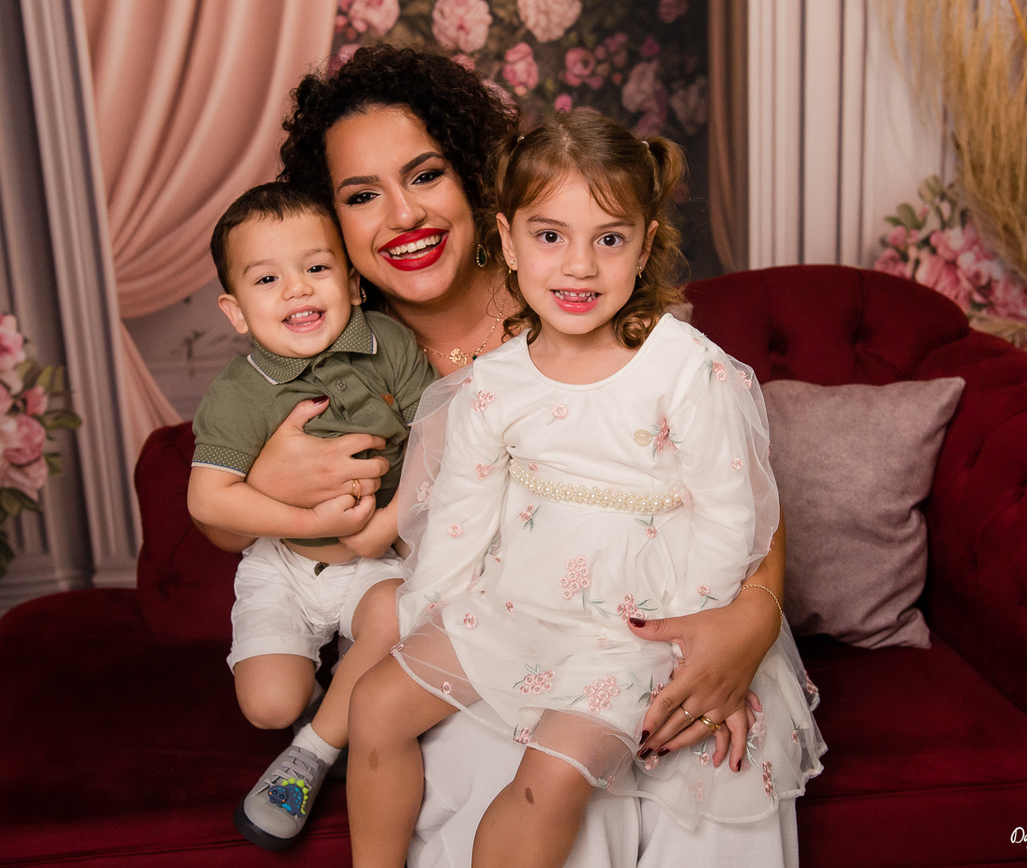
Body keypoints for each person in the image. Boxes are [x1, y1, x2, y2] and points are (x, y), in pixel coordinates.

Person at [199, 45, 801, 866]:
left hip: (650, 608)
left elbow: (734, 491)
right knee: (476, 760)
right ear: (329, 224)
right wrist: (267, 485)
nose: (403, 214)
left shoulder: (587, 302)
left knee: (649, 772)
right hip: (478, 623)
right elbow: (228, 518)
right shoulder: (330, 350)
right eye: (362, 195)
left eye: (426, 174)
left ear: (480, 185)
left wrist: (747, 624)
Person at [342, 112, 824, 868]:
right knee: (374, 705)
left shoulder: (685, 370)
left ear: (645, 244)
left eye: (609, 239)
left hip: (637, 632)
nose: (579, 266)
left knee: (550, 780)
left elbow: (731, 520)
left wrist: (690, 653)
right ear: (507, 242)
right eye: (549, 236)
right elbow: (460, 522)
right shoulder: (495, 382)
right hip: (519, 605)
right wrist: (427, 617)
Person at [187, 182, 436, 851]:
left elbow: (437, 443)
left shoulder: (389, 344)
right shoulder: (240, 392)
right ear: (236, 311)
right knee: (270, 705)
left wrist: (382, 527)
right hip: (285, 564)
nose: (297, 289)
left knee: (395, 615)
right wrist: (310, 519)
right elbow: (208, 500)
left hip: (374, 561)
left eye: (316, 267)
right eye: (268, 279)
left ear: (352, 282)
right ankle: (325, 695)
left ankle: (312, 754)